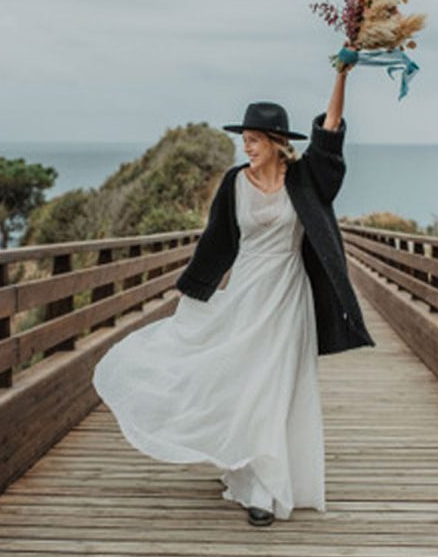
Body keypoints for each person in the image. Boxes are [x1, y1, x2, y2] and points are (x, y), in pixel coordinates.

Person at [91, 64, 376, 527]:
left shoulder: (306, 179)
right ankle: (246, 465)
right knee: (244, 380)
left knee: (276, 384)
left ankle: (266, 490)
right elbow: (216, 241)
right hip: (245, 292)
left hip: (288, 295)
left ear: (277, 143)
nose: (245, 144)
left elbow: (329, 135)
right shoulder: (233, 183)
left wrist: (342, 75)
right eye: (243, 137)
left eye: (254, 139)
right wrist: (194, 291)